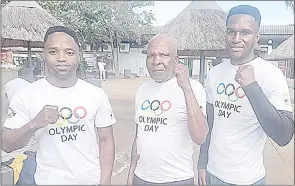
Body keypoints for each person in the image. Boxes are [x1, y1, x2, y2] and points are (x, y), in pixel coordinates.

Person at [1, 26, 116, 185]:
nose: (62, 58)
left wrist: (105, 182)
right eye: (53, 52)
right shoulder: (26, 95)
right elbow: (6, 144)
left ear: (78, 55)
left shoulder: (96, 94)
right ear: (44, 55)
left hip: (90, 181)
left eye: (69, 52)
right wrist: (34, 124)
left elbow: (106, 141)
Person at [197, 5, 294, 185]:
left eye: (245, 33)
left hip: (247, 179)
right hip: (212, 174)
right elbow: (210, 122)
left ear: (256, 37)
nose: (236, 39)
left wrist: (252, 87)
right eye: (231, 32)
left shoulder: (270, 75)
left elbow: (284, 135)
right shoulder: (215, 73)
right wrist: (202, 162)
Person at [127, 34, 209, 185]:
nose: (156, 61)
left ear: (176, 60)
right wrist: (132, 171)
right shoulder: (142, 90)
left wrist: (186, 88)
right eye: (151, 55)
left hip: (177, 179)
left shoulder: (193, 88)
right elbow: (139, 135)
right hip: (142, 178)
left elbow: (200, 137)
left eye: (163, 55)